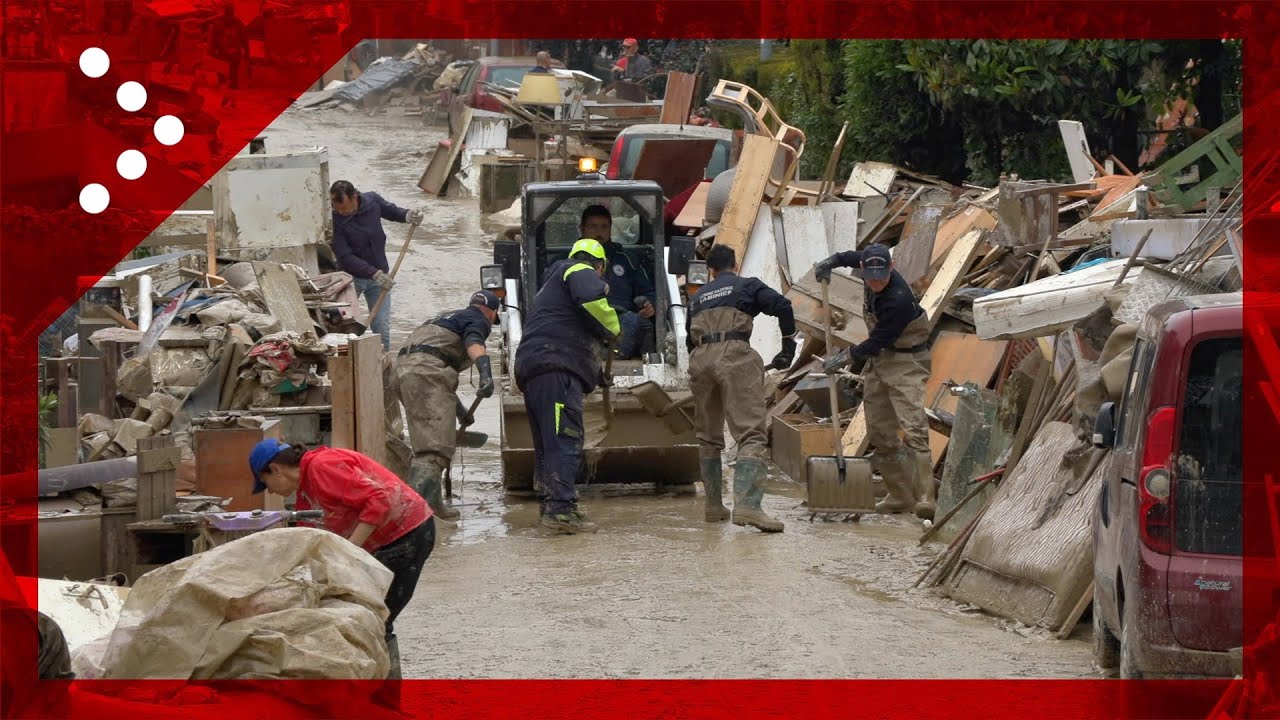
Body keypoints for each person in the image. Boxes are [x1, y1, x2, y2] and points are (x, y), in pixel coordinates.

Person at [248, 438, 435, 682]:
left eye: (266, 483)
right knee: (359, 614)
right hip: (384, 540)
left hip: (406, 533)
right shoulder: (305, 491)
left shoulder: (322, 467)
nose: (270, 491)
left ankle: (384, 697)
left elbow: (379, 501)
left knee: (375, 619)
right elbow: (312, 541)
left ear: (276, 469)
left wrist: (348, 551)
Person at [815, 243, 935, 520]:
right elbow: (849, 256)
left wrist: (843, 358)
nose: (876, 282)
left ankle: (926, 497)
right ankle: (900, 496)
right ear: (864, 268)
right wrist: (829, 263)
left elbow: (877, 341)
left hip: (907, 361)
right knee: (880, 431)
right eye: (871, 278)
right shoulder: (869, 261)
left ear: (891, 268)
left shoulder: (898, 300)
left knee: (913, 427)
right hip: (880, 361)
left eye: (881, 277)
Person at [686, 245, 796, 532]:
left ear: (710, 270)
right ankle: (748, 507)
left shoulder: (698, 297)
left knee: (708, 437)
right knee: (751, 433)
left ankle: (713, 506)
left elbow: (688, 340)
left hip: (700, 359)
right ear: (735, 265)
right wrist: (788, 348)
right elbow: (784, 306)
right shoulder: (746, 286)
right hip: (734, 355)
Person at [514, 238, 620, 534]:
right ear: (600, 267)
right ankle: (562, 511)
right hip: (556, 369)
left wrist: (596, 373)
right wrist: (614, 327)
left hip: (535, 368)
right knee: (565, 438)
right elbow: (593, 303)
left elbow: (567, 331)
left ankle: (550, 507)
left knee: (548, 443)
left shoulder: (552, 287)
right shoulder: (578, 270)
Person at [393, 290, 500, 520]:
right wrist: (486, 374)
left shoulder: (445, 317)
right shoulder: (478, 319)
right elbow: (474, 343)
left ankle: (416, 505)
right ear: (492, 312)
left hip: (403, 370)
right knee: (433, 449)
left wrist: (460, 413)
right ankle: (424, 513)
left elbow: (438, 380)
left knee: (427, 437)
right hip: (424, 372)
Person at [330, 180, 425, 351]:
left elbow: (392, 211)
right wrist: (373, 273)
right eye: (338, 210)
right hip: (350, 279)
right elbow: (345, 256)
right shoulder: (334, 219)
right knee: (343, 327)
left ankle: (383, 362)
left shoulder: (372, 201)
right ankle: (342, 362)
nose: (342, 213)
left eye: (345, 209)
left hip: (379, 277)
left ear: (355, 197)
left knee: (381, 326)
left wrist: (408, 215)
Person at [578, 205, 655, 359]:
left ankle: (614, 356)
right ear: (582, 229)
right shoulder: (567, 260)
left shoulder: (627, 260)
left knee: (636, 322)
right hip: (580, 319)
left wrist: (650, 305)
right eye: (593, 226)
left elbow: (649, 292)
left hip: (621, 321)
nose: (599, 232)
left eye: (604, 227)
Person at [208, 4, 249, 90]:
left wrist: (246, 51)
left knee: (233, 68)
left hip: (234, 51)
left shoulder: (238, 23)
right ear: (225, 12)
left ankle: (232, 84)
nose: (230, 15)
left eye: (231, 12)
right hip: (222, 51)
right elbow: (213, 38)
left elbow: (244, 38)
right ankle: (224, 83)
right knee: (222, 68)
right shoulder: (218, 23)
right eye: (228, 12)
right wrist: (212, 50)